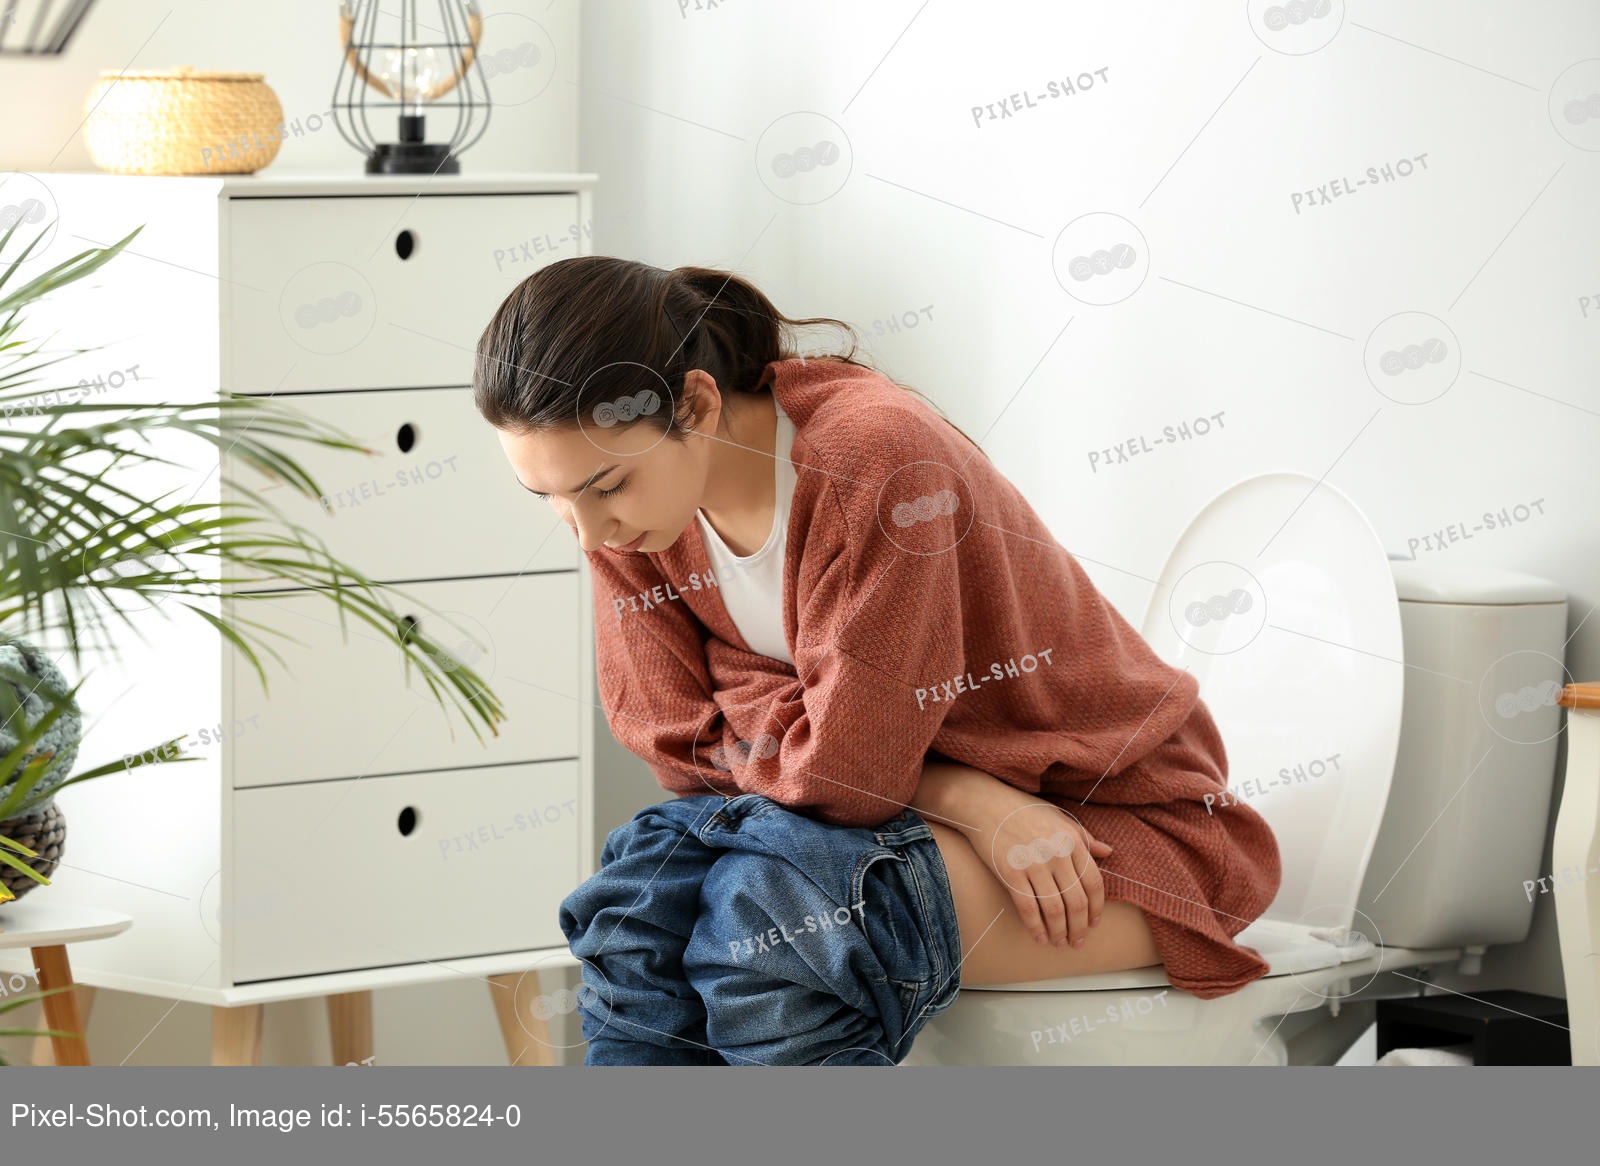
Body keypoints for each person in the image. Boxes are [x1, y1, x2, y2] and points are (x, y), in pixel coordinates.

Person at [473, 258, 1282, 1064]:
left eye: (605, 486)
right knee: (636, 909)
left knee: (771, 925)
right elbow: (668, 738)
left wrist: (742, 688)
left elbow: (847, 771)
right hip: (942, 819)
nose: (586, 533)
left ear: (698, 401)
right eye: (550, 497)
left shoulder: (877, 459)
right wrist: (964, 793)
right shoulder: (632, 513)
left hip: (1116, 824)